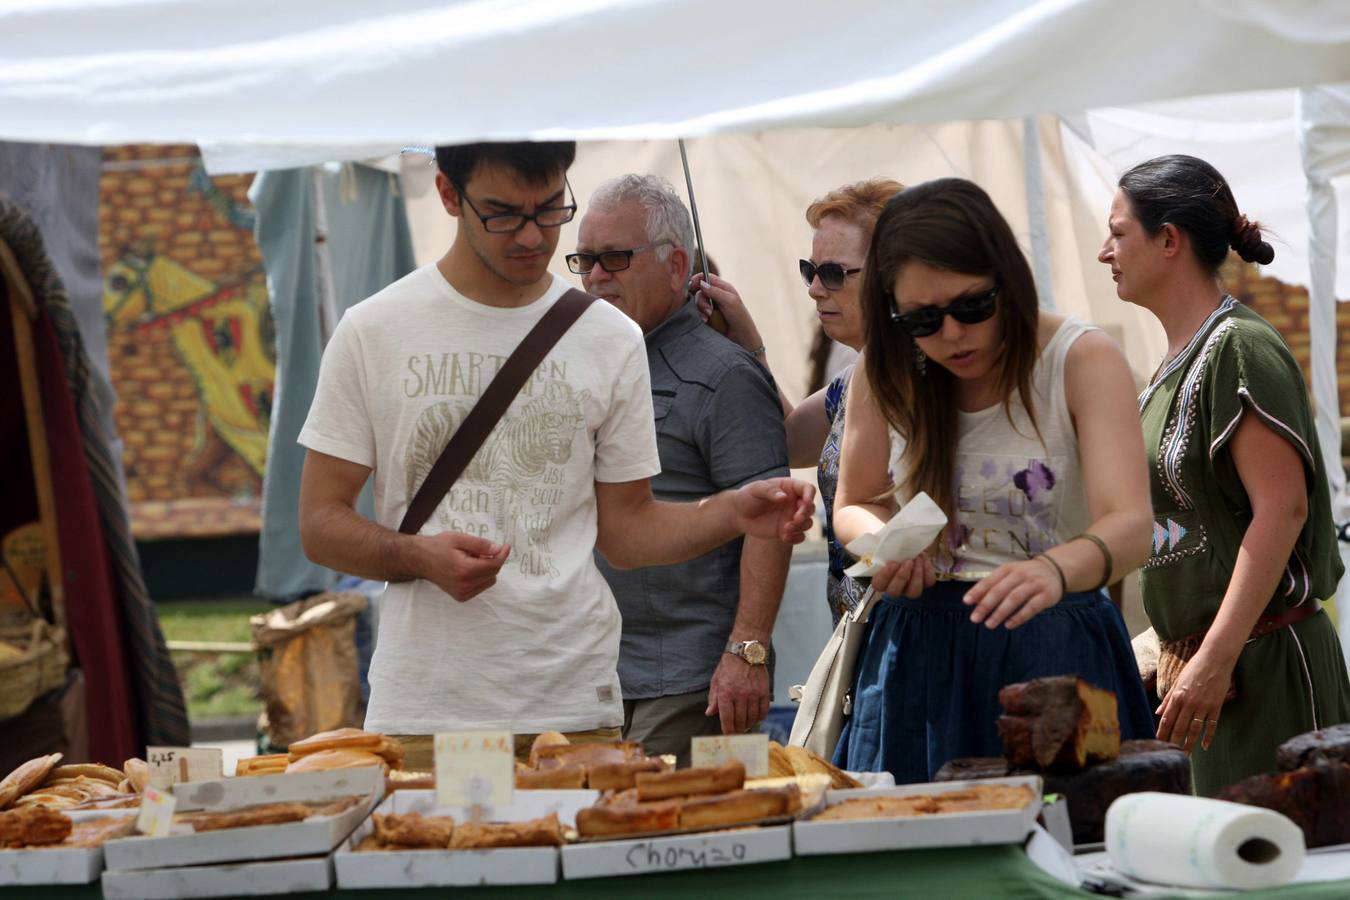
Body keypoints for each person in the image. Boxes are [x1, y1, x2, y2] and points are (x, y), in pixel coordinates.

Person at [296, 142, 814, 769]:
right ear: (448, 195)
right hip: (429, 705)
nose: (533, 236)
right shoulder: (374, 330)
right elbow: (320, 523)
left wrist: (730, 512)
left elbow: (626, 530)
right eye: (503, 213)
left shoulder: (609, 336)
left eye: (549, 210)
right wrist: (415, 555)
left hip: (577, 704)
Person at [831, 177, 1156, 783]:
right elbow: (853, 502)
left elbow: (1132, 524)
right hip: (918, 649)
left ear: (1006, 281)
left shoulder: (1080, 359)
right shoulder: (884, 367)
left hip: (1053, 649)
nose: (952, 334)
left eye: (972, 307)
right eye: (922, 319)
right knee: (919, 852)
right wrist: (885, 545)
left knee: (1070, 847)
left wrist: (1053, 571)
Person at [1099, 154, 1350, 795]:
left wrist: (1214, 655)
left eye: (1119, 232)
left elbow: (1282, 509)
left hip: (1263, 663)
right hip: (1204, 677)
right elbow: (1183, 528)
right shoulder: (1168, 368)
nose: (1106, 251)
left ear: (1169, 240)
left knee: (1286, 873)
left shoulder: (1240, 345)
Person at [571, 174, 791, 763]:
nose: (595, 276)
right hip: (593, 675)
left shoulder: (725, 374)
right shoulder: (587, 361)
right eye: (585, 260)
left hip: (694, 682)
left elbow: (769, 521)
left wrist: (748, 654)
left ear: (675, 266)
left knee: (682, 837)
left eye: (615, 258)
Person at [692, 178, 904, 625]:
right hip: (863, 635)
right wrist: (751, 347)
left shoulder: (933, 376)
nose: (813, 289)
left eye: (833, 273)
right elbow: (787, 440)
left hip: (913, 631)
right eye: (810, 270)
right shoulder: (854, 380)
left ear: (894, 273)